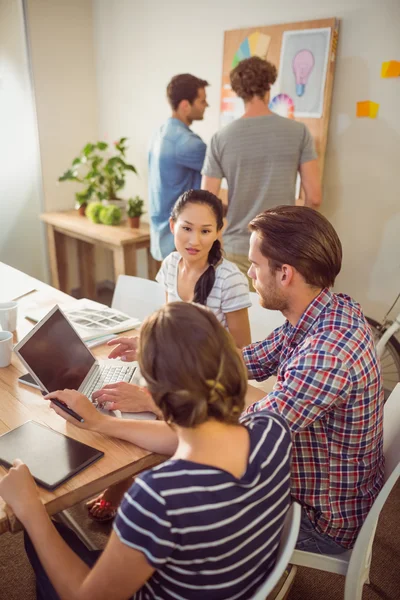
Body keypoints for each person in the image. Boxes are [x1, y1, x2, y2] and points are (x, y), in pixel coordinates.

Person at [0, 302, 292, 600]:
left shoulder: (159, 496)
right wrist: (100, 422)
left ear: (150, 391)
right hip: (238, 582)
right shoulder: (271, 429)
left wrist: (31, 511)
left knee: (40, 537)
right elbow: (182, 437)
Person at [87, 189, 252, 520]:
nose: (195, 239)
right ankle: (126, 477)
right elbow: (169, 325)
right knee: (112, 401)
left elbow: (241, 354)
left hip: (209, 383)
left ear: (220, 230)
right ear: (173, 225)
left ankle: (126, 486)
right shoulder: (171, 263)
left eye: (206, 231)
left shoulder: (230, 279)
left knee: (134, 413)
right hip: (173, 374)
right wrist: (146, 346)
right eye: (187, 228)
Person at [242, 205, 384, 553]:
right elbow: (250, 360)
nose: (250, 273)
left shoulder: (327, 353)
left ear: (285, 274)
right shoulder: (325, 311)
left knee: (183, 513)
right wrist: (165, 355)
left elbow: (246, 439)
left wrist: (162, 400)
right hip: (317, 488)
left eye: (255, 265)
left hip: (320, 520)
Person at [201, 56, 322, 279]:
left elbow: (206, 202)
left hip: (238, 248)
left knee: (238, 313)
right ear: (268, 88)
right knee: (279, 315)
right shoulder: (299, 132)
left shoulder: (220, 139)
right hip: (283, 249)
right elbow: (313, 197)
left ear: (239, 93)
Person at [149, 74, 209, 262]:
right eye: (202, 100)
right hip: (181, 241)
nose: (206, 105)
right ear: (185, 105)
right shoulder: (186, 143)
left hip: (162, 236)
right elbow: (221, 169)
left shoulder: (160, 134)